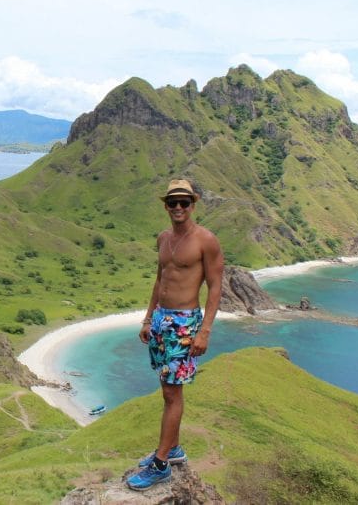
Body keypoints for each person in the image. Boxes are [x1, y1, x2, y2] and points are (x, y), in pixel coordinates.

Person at [127, 179, 224, 491]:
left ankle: (161, 464)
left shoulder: (206, 240)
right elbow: (160, 279)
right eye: (173, 202)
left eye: (184, 202)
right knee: (167, 390)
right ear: (165, 206)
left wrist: (205, 331)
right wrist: (147, 318)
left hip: (184, 324)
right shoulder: (163, 238)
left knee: (172, 393)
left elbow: (216, 287)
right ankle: (175, 449)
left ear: (193, 204)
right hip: (160, 321)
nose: (179, 207)